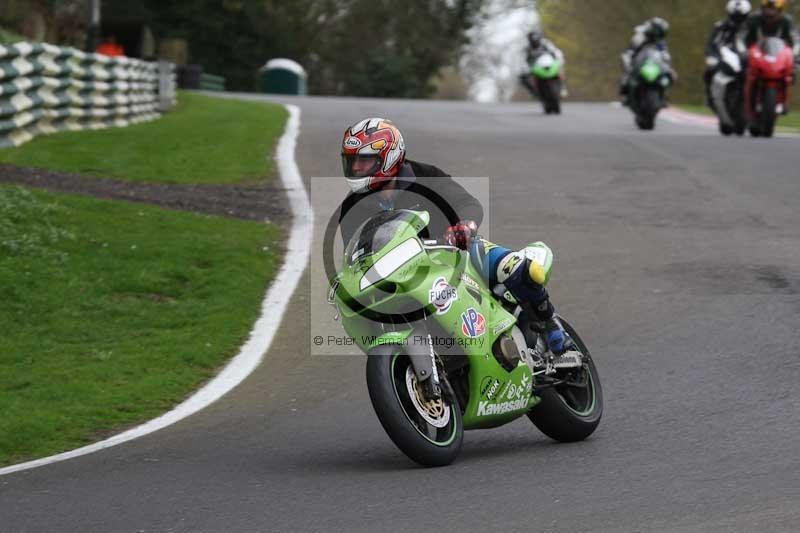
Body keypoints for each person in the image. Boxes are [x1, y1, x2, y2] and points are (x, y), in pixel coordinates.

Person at [338, 117, 572, 356]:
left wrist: (464, 226)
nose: (356, 168)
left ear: (388, 158)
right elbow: (356, 251)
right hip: (406, 271)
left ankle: (550, 322)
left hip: (456, 251)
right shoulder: (351, 206)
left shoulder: (425, 175)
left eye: (364, 160)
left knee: (517, 268)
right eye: (352, 161)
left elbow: (466, 203)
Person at [704, 1, 752, 110]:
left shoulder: (751, 28)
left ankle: (761, 101)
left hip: (746, 58)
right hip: (726, 57)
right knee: (709, 71)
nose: (738, 20)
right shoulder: (720, 26)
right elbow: (712, 43)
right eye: (735, 17)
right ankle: (710, 97)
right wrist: (711, 55)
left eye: (741, 17)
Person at [619, 17, 674, 105]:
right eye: (655, 31)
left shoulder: (660, 42)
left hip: (653, 64)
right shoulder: (639, 38)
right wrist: (628, 63)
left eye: (659, 32)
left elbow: (665, 55)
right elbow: (629, 52)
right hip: (639, 63)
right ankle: (626, 94)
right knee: (628, 74)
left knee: (670, 75)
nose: (656, 34)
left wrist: (668, 66)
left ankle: (664, 94)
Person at [520, 30, 568, 98]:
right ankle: (533, 91)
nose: (535, 41)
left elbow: (555, 51)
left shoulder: (546, 43)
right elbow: (525, 60)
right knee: (522, 78)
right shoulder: (528, 48)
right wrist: (526, 67)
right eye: (533, 39)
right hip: (536, 67)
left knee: (560, 70)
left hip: (549, 64)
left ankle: (563, 87)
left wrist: (559, 58)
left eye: (536, 38)